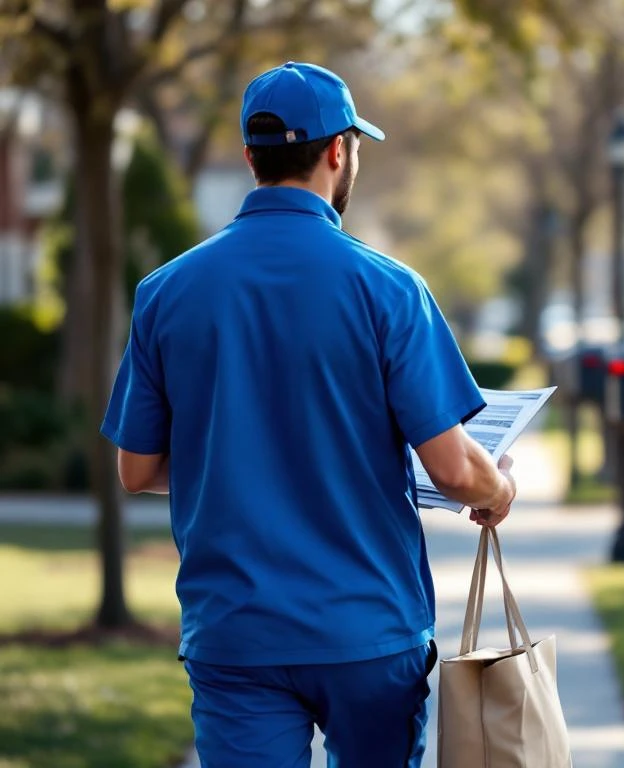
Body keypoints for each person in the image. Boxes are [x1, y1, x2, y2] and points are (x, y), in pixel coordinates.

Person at [100, 61, 516, 768]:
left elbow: (136, 469)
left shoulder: (166, 293)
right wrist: (498, 488)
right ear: (336, 151)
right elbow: (451, 467)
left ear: (250, 158)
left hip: (236, 634)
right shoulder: (389, 291)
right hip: (368, 633)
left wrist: (233, 459)